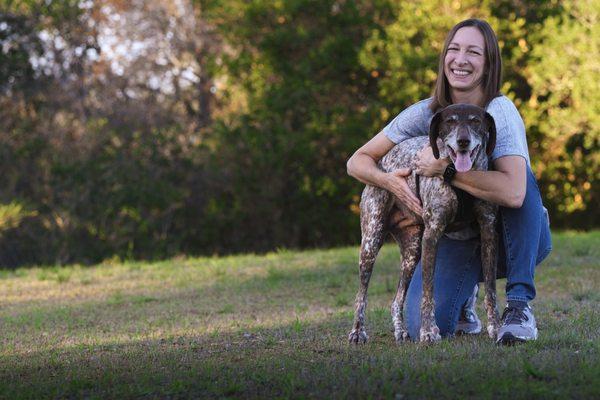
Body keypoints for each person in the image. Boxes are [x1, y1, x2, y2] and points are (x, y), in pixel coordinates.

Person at [346, 18, 552, 344]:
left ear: (488, 65)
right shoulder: (426, 114)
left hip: (513, 238)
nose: (460, 59)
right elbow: (357, 161)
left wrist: (446, 170)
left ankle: (518, 306)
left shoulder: (501, 112)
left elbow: (513, 193)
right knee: (420, 327)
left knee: (518, 175)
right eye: (453, 49)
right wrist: (392, 183)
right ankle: (463, 297)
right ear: (444, 59)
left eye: (473, 52)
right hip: (455, 236)